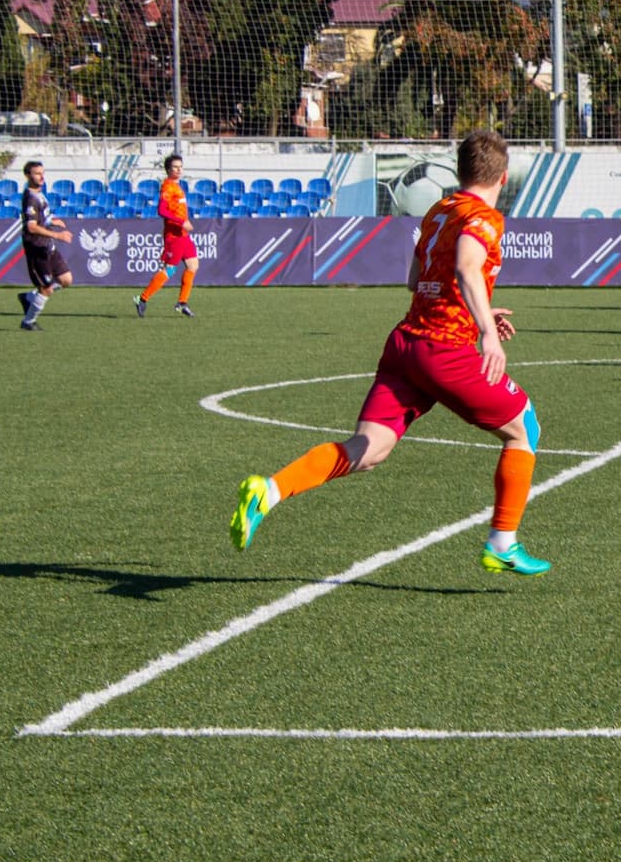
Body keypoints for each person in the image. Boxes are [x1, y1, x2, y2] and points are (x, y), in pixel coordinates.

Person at [232, 130, 551, 575]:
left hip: (406, 345)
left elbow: (418, 278)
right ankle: (502, 542)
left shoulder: (440, 210)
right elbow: (464, 265)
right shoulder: (484, 217)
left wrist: (475, 306)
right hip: (445, 350)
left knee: (369, 449)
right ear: (501, 179)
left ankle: (269, 490)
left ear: (459, 172)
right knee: (524, 428)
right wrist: (486, 331)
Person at [135, 154, 198, 317]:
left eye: (180, 166)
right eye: (175, 167)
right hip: (174, 235)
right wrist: (181, 221)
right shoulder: (168, 186)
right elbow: (162, 210)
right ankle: (142, 299)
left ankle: (182, 303)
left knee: (193, 266)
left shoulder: (178, 186)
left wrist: (184, 221)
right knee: (169, 270)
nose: (179, 169)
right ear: (168, 170)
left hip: (183, 235)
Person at [17, 160, 74, 331]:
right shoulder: (30, 199)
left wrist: (52, 220)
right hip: (36, 248)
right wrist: (57, 235)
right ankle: (28, 322)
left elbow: (42, 217)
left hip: (48, 246)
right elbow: (31, 227)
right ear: (28, 176)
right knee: (47, 288)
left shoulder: (39, 194)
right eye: (37, 173)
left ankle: (29, 297)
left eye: (42, 173)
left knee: (66, 279)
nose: (42, 177)